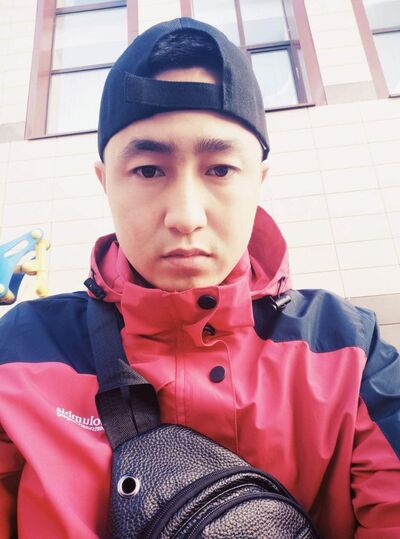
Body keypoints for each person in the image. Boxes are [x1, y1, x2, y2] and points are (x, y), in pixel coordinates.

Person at [0, 16, 399, 539]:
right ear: (106, 181)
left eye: (220, 170)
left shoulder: (348, 348)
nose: (186, 215)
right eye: (148, 170)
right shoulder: (21, 349)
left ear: (258, 180)